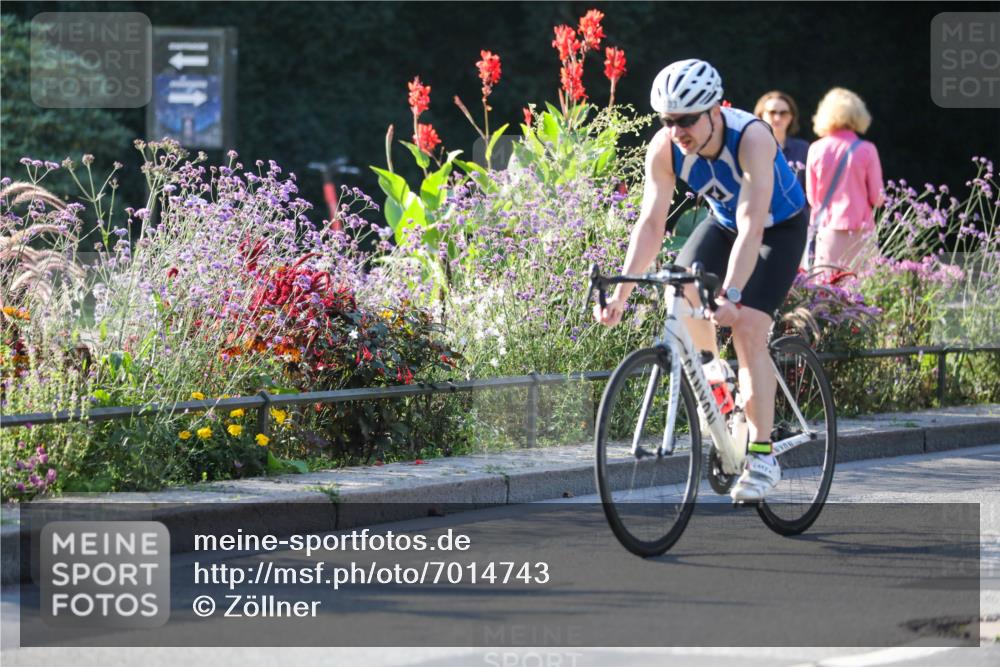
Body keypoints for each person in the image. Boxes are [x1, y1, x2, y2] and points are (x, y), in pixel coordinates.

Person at [593, 59, 808, 502]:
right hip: (725, 223)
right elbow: (651, 225)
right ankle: (718, 379)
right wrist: (620, 296)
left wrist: (730, 295)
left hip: (778, 228)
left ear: (714, 111)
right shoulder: (665, 148)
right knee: (679, 282)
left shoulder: (750, 137)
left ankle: (763, 455)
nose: (678, 131)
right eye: (669, 121)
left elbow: (753, 225)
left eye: (687, 120)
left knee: (746, 326)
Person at [806, 87, 884, 277]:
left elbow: (812, 198)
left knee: (825, 291)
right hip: (862, 230)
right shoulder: (867, 149)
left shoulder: (816, 149)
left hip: (828, 227)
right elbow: (878, 197)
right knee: (865, 292)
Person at [754, 90, 809, 195]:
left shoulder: (803, 149)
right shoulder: (749, 148)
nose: (777, 118)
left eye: (783, 113)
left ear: (791, 118)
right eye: (772, 112)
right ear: (761, 115)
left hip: (798, 210)